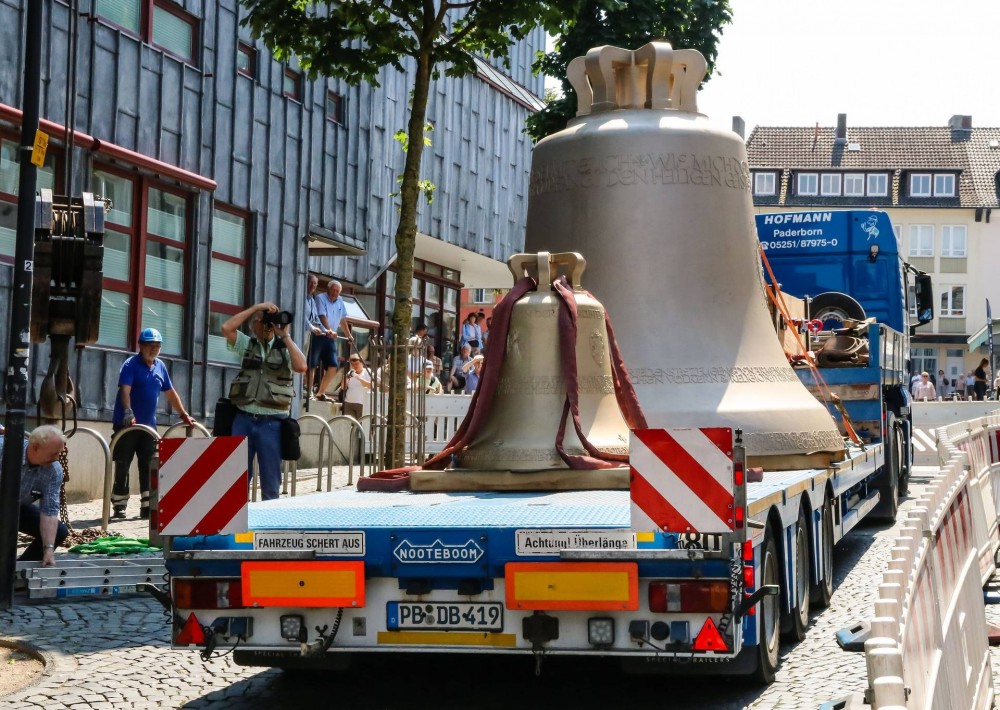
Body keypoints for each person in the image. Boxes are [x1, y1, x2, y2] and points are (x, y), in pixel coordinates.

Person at [222, 302, 307, 501]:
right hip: (243, 419)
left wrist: (284, 335)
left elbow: (301, 366)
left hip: (272, 423)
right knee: (237, 480)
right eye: (262, 322)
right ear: (254, 325)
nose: (267, 326)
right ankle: (238, 525)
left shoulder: (284, 349)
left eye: (269, 323)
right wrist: (254, 308)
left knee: (270, 481)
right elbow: (226, 328)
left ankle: (268, 527)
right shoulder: (247, 344)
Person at [111, 327, 196, 520]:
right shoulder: (130, 365)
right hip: (128, 424)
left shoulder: (160, 366)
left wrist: (183, 414)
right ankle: (119, 504)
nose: (154, 350)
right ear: (141, 346)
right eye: (150, 346)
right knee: (123, 462)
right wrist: (128, 411)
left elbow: (170, 393)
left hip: (149, 426)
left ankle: (148, 505)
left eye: (157, 346)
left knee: (149, 465)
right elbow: (125, 390)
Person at [0, 425, 69, 565]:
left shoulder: (53, 471)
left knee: (59, 532)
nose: (56, 459)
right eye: (53, 453)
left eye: (59, 453)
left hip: (16, 507)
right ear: (36, 447)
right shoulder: (3, 449)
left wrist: (48, 549)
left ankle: (17, 572)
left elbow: (49, 511)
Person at [315, 280, 354, 401]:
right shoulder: (320, 298)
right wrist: (329, 330)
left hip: (330, 338)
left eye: (337, 291)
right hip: (319, 334)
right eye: (333, 290)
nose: (335, 293)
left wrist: (349, 335)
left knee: (333, 366)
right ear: (328, 289)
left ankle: (320, 393)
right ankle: (309, 391)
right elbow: (322, 316)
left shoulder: (340, 301)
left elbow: (342, 320)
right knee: (311, 364)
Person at [304, 274, 325, 399]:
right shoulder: (301, 296)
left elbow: (315, 318)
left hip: (308, 335)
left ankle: (306, 387)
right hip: (300, 332)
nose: (313, 285)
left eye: (315, 283)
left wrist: (326, 331)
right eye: (311, 282)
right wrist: (312, 328)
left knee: (305, 360)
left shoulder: (312, 300)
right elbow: (301, 314)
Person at [339, 353, 372, 420]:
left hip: (361, 403)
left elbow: (370, 385)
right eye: (353, 364)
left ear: (361, 363)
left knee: (361, 424)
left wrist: (358, 377)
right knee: (349, 424)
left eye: (356, 364)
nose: (355, 366)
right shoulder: (350, 372)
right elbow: (343, 387)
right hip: (348, 403)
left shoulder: (367, 372)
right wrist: (345, 378)